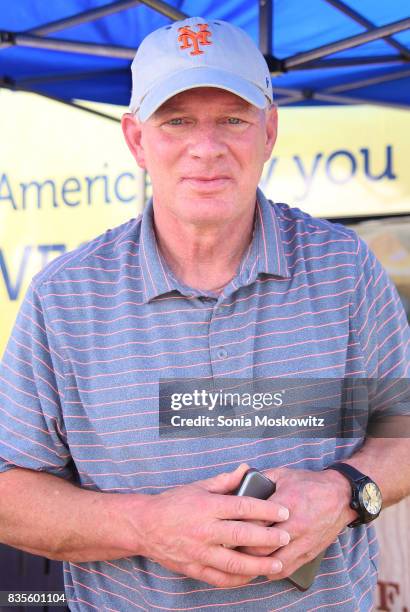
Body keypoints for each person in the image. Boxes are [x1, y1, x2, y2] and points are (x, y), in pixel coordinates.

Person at [0, 16, 409, 612]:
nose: (206, 147)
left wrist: (346, 491)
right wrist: (145, 525)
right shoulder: (65, 299)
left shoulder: (344, 269)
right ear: (137, 139)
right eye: (177, 121)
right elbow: (9, 495)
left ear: (269, 132)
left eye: (233, 120)